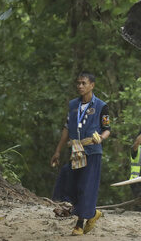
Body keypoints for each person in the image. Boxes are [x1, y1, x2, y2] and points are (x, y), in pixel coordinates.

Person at [50, 72, 111, 236]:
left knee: (86, 186)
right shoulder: (73, 105)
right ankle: (92, 213)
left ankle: (79, 224)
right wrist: (57, 150)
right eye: (78, 83)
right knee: (68, 179)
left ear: (92, 85)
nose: (80, 86)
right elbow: (66, 129)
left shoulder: (101, 106)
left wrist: (100, 139)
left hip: (92, 151)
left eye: (84, 83)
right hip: (76, 151)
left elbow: (107, 130)